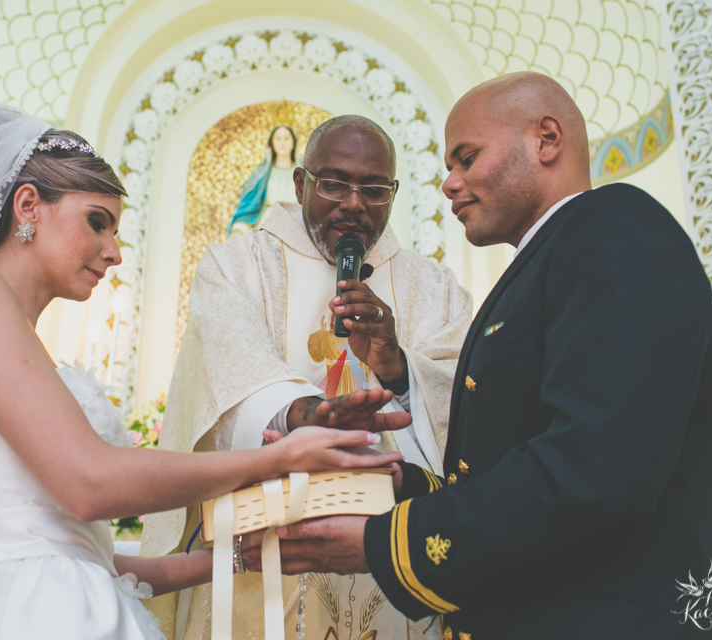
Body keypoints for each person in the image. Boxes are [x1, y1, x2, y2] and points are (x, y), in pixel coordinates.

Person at [0, 106, 402, 640]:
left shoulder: (15, 334)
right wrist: (282, 458)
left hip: (74, 602)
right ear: (28, 206)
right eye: (97, 222)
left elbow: (98, 562)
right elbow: (89, 483)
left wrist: (251, 553)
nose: (114, 251)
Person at [258, 72, 712, 639]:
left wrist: (384, 544)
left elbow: (596, 470)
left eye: (467, 157)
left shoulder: (615, 227)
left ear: (547, 139)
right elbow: (506, 458)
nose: (449, 183)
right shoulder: (546, 260)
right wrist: (398, 480)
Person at [142, 115, 472, 640]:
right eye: (335, 183)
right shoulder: (237, 266)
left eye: (374, 188)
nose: (354, 203)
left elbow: (467, 403)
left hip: (386, 555)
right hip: (262, 552)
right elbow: (226, 373)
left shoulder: (431, 287)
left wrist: (399, 366)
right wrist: (303, 414)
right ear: (301, 184)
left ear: (393, 193)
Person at [227, 125, 299, 236]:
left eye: (286, 138)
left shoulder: (304, 174)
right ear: (272, 143)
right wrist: (238, 229)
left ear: (293, 142)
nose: (282, 143)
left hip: (294, 227)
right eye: (278, 139)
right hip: (265, 227)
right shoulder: (261, 174)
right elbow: (249, 206)